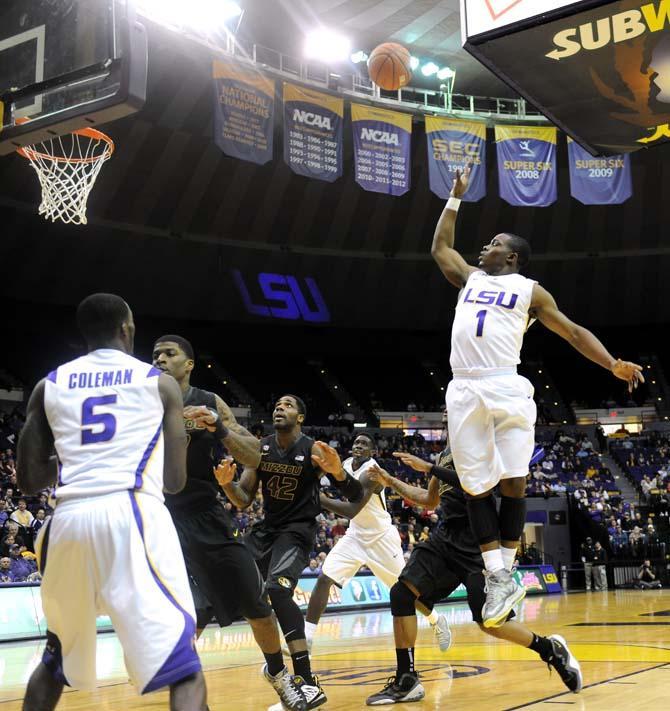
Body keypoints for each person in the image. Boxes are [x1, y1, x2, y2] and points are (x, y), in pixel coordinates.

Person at [431, 166, 644, 627]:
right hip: (464, 385)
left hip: (505, 382)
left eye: (494, 243)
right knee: (473, 487)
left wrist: (611, 363)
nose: (485, 246)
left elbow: (571, 332)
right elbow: (440, 248)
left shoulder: (530, 291)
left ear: (512, 258)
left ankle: (503, 573)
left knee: (513, 482)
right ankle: (499, 577)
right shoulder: (469, 279)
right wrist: (454, 198)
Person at [16, 293, 207, 711]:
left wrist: (78, 458)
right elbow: (175, 482)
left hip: (66, 519)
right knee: (186, 668)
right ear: (128, 328)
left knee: (56, 657)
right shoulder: (159, 384)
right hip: (132, 513)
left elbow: (29, 479)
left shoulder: (48, 385)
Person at [152, 337, 306, 711]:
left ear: (189, 364)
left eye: (169, 354)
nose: (159, 359)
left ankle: (278, 674)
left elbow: (256, 455)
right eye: (155, 354)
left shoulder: (207, 401)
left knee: (257, 606)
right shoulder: (138, 399)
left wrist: (218, 428)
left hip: (204, 513)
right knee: (191, 614)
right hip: (156, 515)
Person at [364, 448, 582, 705]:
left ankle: (550, 650)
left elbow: (475, 485)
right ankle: (407, 679)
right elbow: (429, 499)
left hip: (480, 543)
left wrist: (429, 468)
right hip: (446, 538)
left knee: (489, 622)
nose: (447, 412)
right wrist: (391, 481)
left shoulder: (477, 445)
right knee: (401, 594)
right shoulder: (444, 454)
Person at [215, 395, 363, 710]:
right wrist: (227, 485)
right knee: (230, 585)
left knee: (278, 591)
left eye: (288, 405)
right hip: (266, 531)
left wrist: (338, 473)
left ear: (300, 417)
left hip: (297, 532)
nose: (280, 408)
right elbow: (243, 499)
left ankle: (307, 682)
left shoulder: (313, 449)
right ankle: (277, 670)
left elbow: (355, 495)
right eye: (277, 404)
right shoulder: (262, 447)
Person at [304, 432, 451, 653]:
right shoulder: (344, 464)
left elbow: (353, 509)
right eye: (356, 442)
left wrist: (316, 498)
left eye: (364, 444)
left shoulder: (372, 472)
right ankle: (306, 637)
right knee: (325, 577)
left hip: (381, 538)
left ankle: (435, 619)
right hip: (355, 535)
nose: (358, 446)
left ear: (373, 451)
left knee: (403, 590)